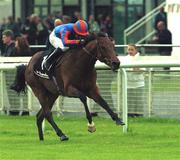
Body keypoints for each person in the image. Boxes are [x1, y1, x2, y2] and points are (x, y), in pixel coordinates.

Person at [126, 44, 146, 117]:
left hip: (139, 84)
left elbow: (142, 70)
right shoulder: (126, 58)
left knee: (139, 100)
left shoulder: (140, 58)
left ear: (136, 50)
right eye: (129, 49)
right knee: (129, 100)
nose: (130, 51)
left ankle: (139, 114)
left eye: (132, 49)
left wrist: (135, 69)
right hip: (128, 83)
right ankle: (130, 113)